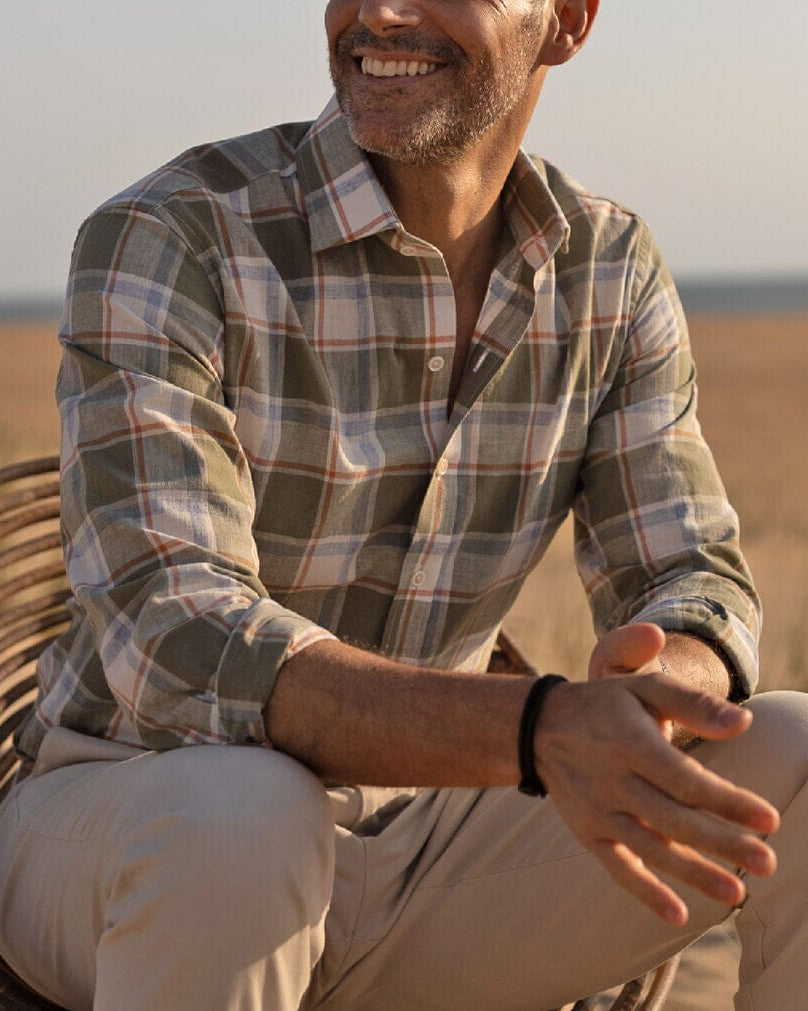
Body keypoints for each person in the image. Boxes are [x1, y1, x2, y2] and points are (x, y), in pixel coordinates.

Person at [1, 0, 806, 1008]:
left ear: (566, 22)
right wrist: (537, 728)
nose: (380, 11)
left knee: (796, 754)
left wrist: (658, 688)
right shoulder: (174, 235)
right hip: (136, 814)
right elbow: (180, 631)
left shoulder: (609, 269)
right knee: (245, 815)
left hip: (428, 847)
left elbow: (690, 572)